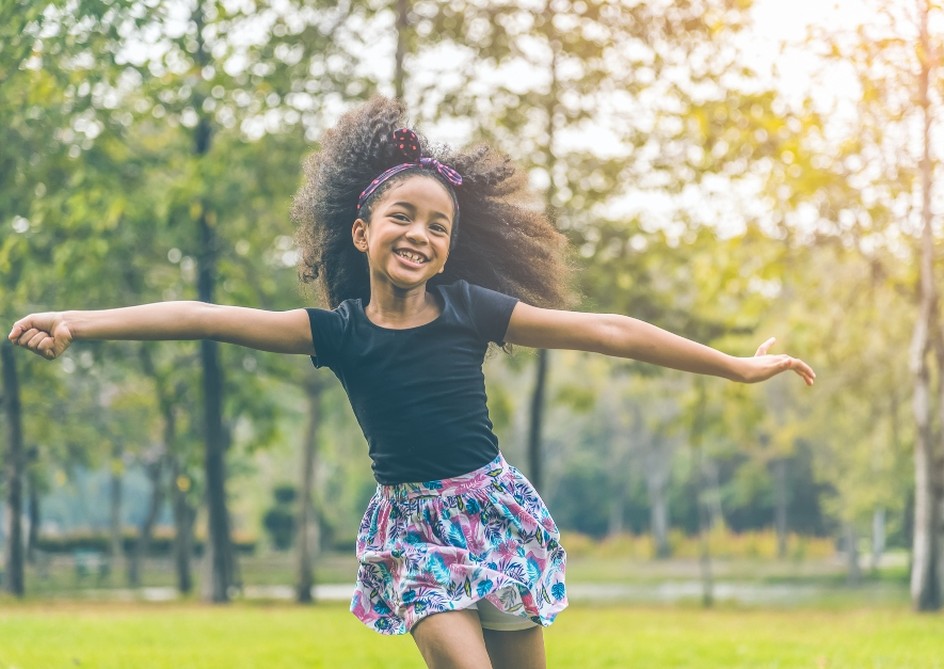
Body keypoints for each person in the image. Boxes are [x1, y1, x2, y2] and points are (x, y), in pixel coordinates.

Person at [8, 96, 815, 669]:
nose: (420, 233)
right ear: (361, 232)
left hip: (494, 513)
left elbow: (610, 331)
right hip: (413, 530)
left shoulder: (470, 310)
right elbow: (200, 314)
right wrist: (80, 318)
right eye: (402, 216)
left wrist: (734, 363)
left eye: (438, 225)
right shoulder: (339, 333)